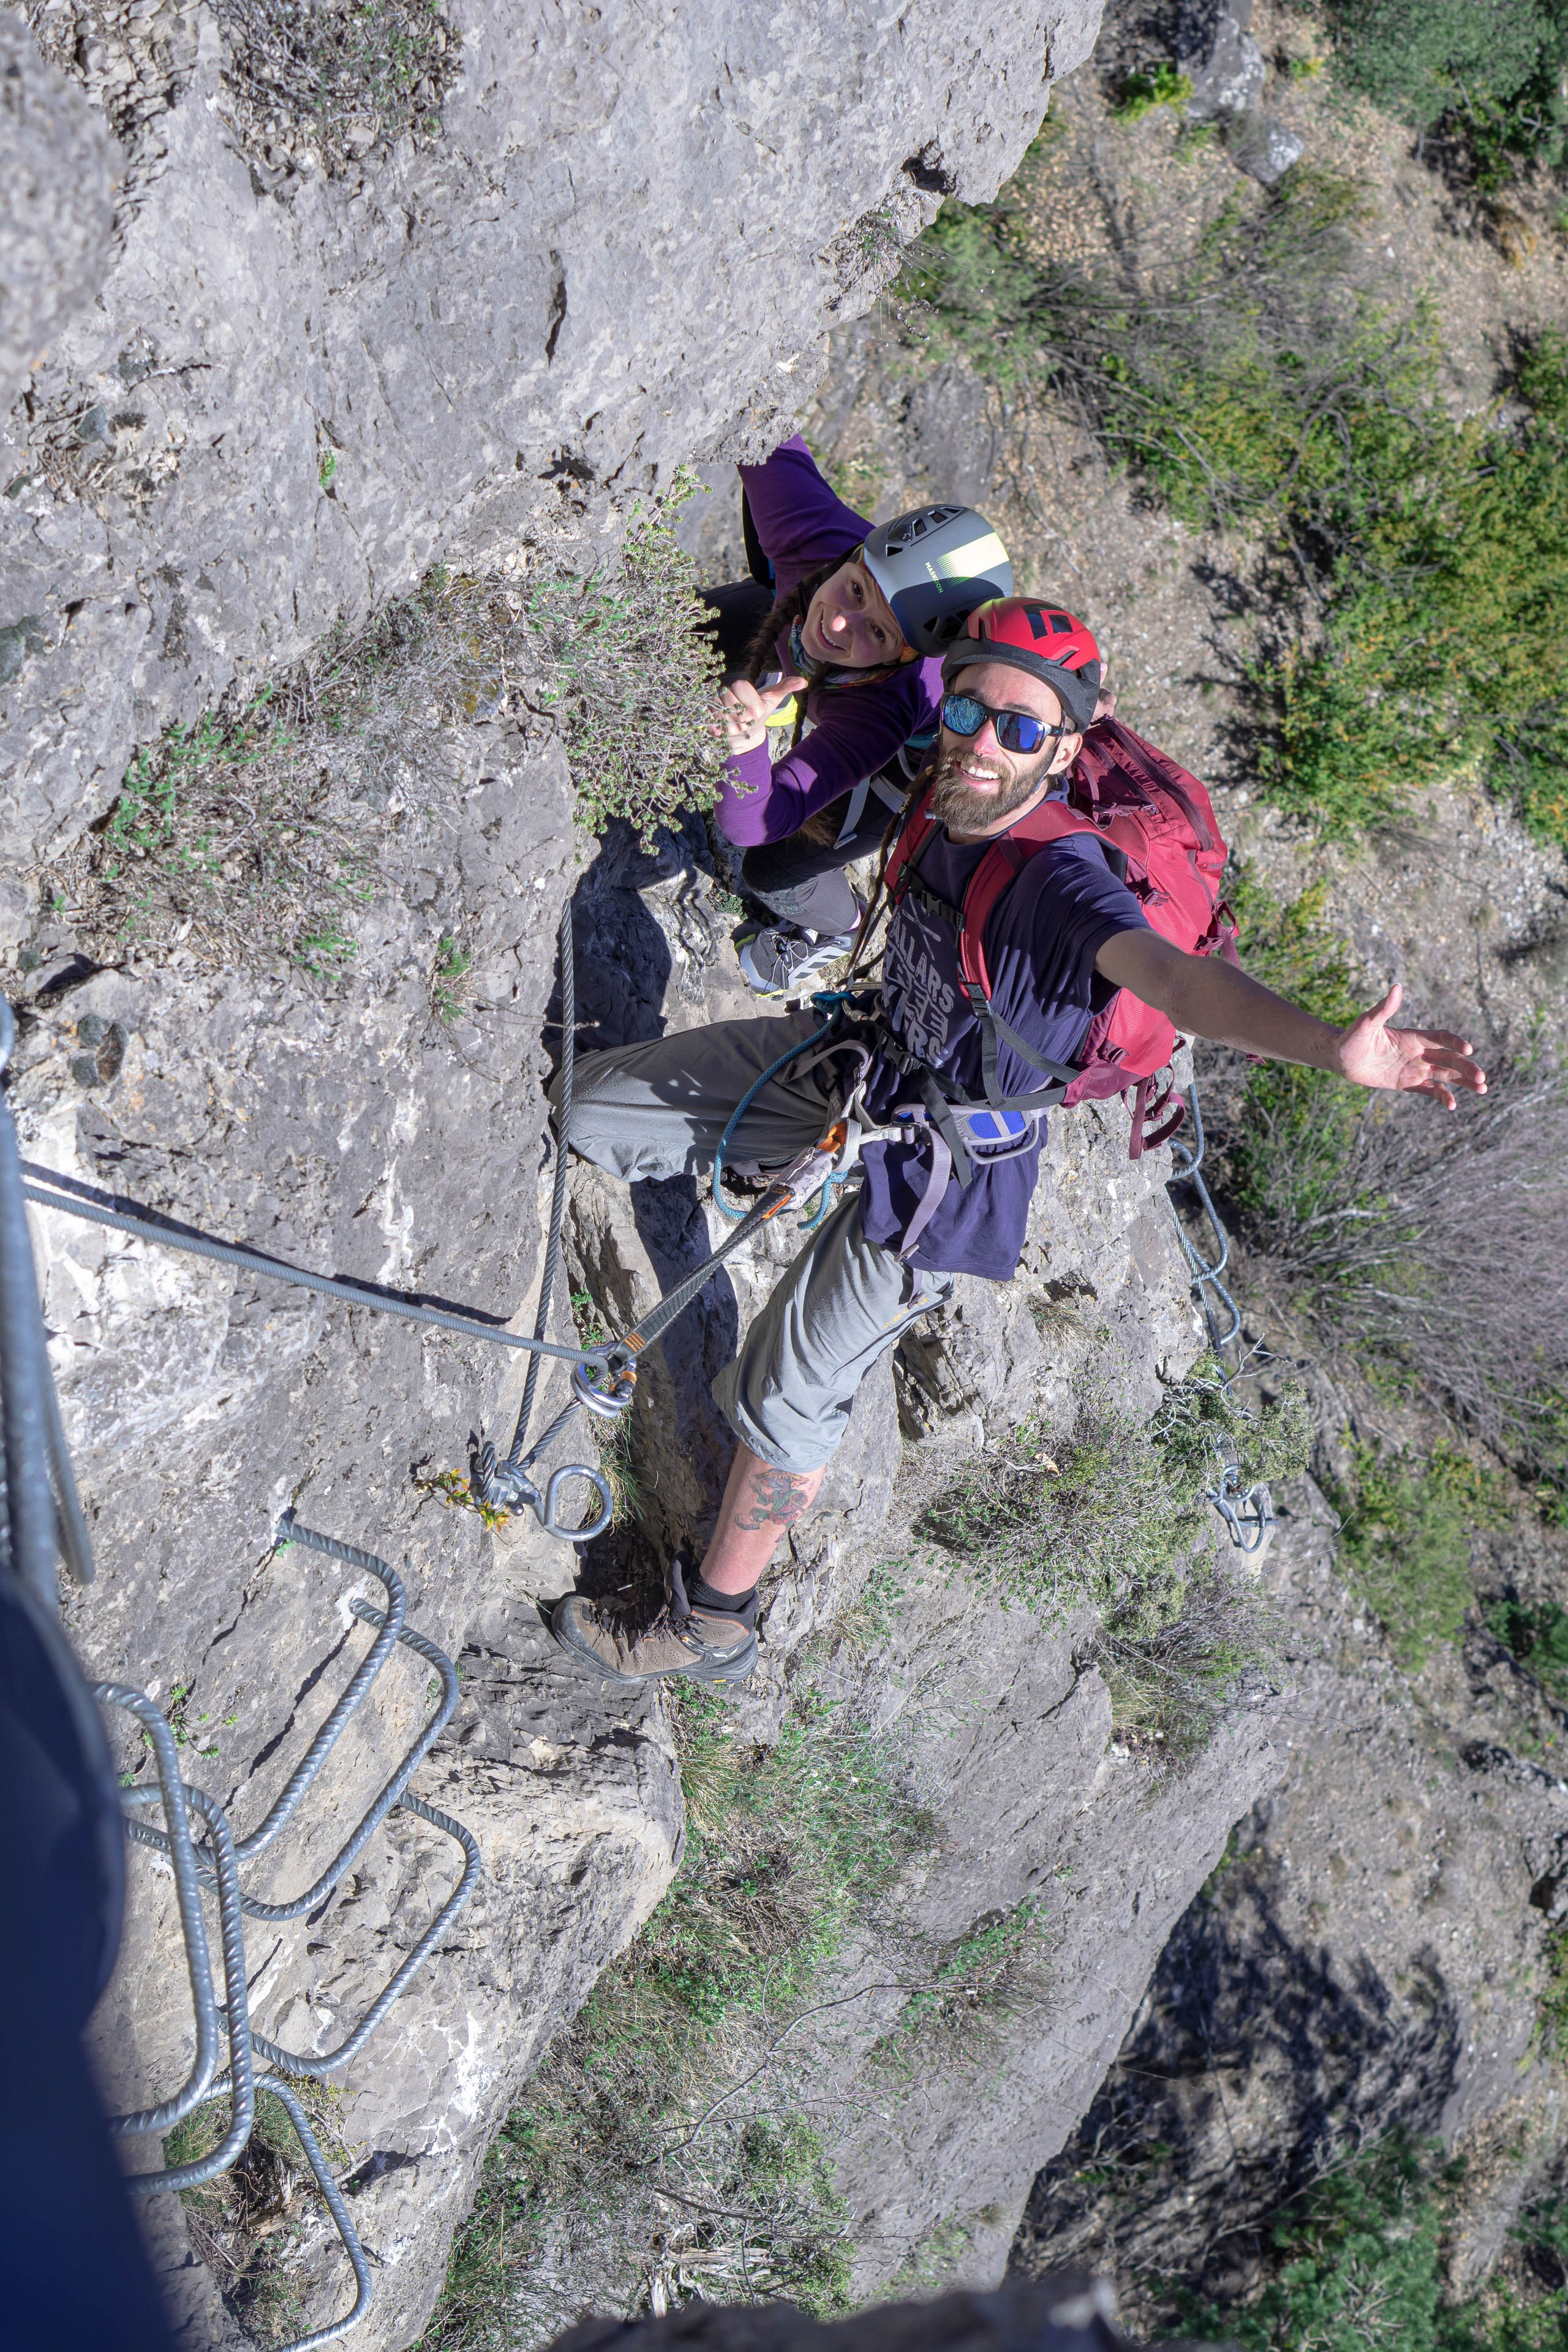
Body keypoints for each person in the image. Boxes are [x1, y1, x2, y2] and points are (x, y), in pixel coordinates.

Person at [550, 601, 1487, 1687]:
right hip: (871, 1062)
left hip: (952, 1163)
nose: (983, 742)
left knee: (792, 1384)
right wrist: (761, 724)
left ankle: (714, 1620)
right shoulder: (944, 788)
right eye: (967, 708)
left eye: (1022, 732)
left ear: (1067, 750)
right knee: (589, 1115)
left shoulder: (1060, 880)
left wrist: (1332, 1049)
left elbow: (1179, 983)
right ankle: (765, 1154)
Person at [707, 437, 1011, 994]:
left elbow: (754, 826)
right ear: (856, 556)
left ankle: (839, 930)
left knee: (772, 871)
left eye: (878, 632)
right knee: (681, 632)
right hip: (802, 609)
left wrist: (746, 749)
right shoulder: (815, 531)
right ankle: (788, 686)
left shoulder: (887, 709)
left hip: (910, 760)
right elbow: (758, 417)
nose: (841, 623)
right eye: (856, 590)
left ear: (908, 654)